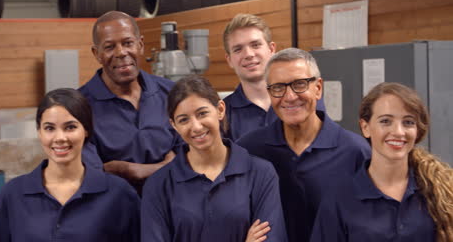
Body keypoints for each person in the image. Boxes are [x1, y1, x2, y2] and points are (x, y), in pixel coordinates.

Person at [236, 48, 370, 242]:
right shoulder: (249, 149)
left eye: (299, 84)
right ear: (269, 93)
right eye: (278, 87)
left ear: (318, 88)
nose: (289, 96)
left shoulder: (356, 152)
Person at [141, 75, 288, 242]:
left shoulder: (261, 174)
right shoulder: (158, 185)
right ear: (174, 125)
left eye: (202, 113)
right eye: (184, 120)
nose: (196, 127)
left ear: (220, 109)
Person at [0, 88, 141, 242]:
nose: (60, 137)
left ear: (86, 130)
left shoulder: (120, 194)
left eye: (70, 127)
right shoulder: (12, 194)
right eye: (49, 128)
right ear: (39, 132)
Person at [310, 82, 453, 242]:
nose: (398, 132)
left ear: (417, 129)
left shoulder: (441, 191)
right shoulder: (338, 199)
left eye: (408, 122)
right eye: (385, 121)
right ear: (366, 127)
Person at [79, 11, 181, 191]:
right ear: (97, 54)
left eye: (128, 43)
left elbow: (192, 158)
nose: (121, 52)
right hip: (114, 211)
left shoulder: (171, 92)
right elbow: (90, 175)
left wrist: (135, 171)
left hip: (172, 206)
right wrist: (164, 167)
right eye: (110, 47)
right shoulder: (79, 107)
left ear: (140, 45)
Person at [223, 13, 325, 141]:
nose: (248, 54)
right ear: (229, 60)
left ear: (271, 49)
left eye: (255, 45)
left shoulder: (304, 98)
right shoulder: (223, 114)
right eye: (238, 49)